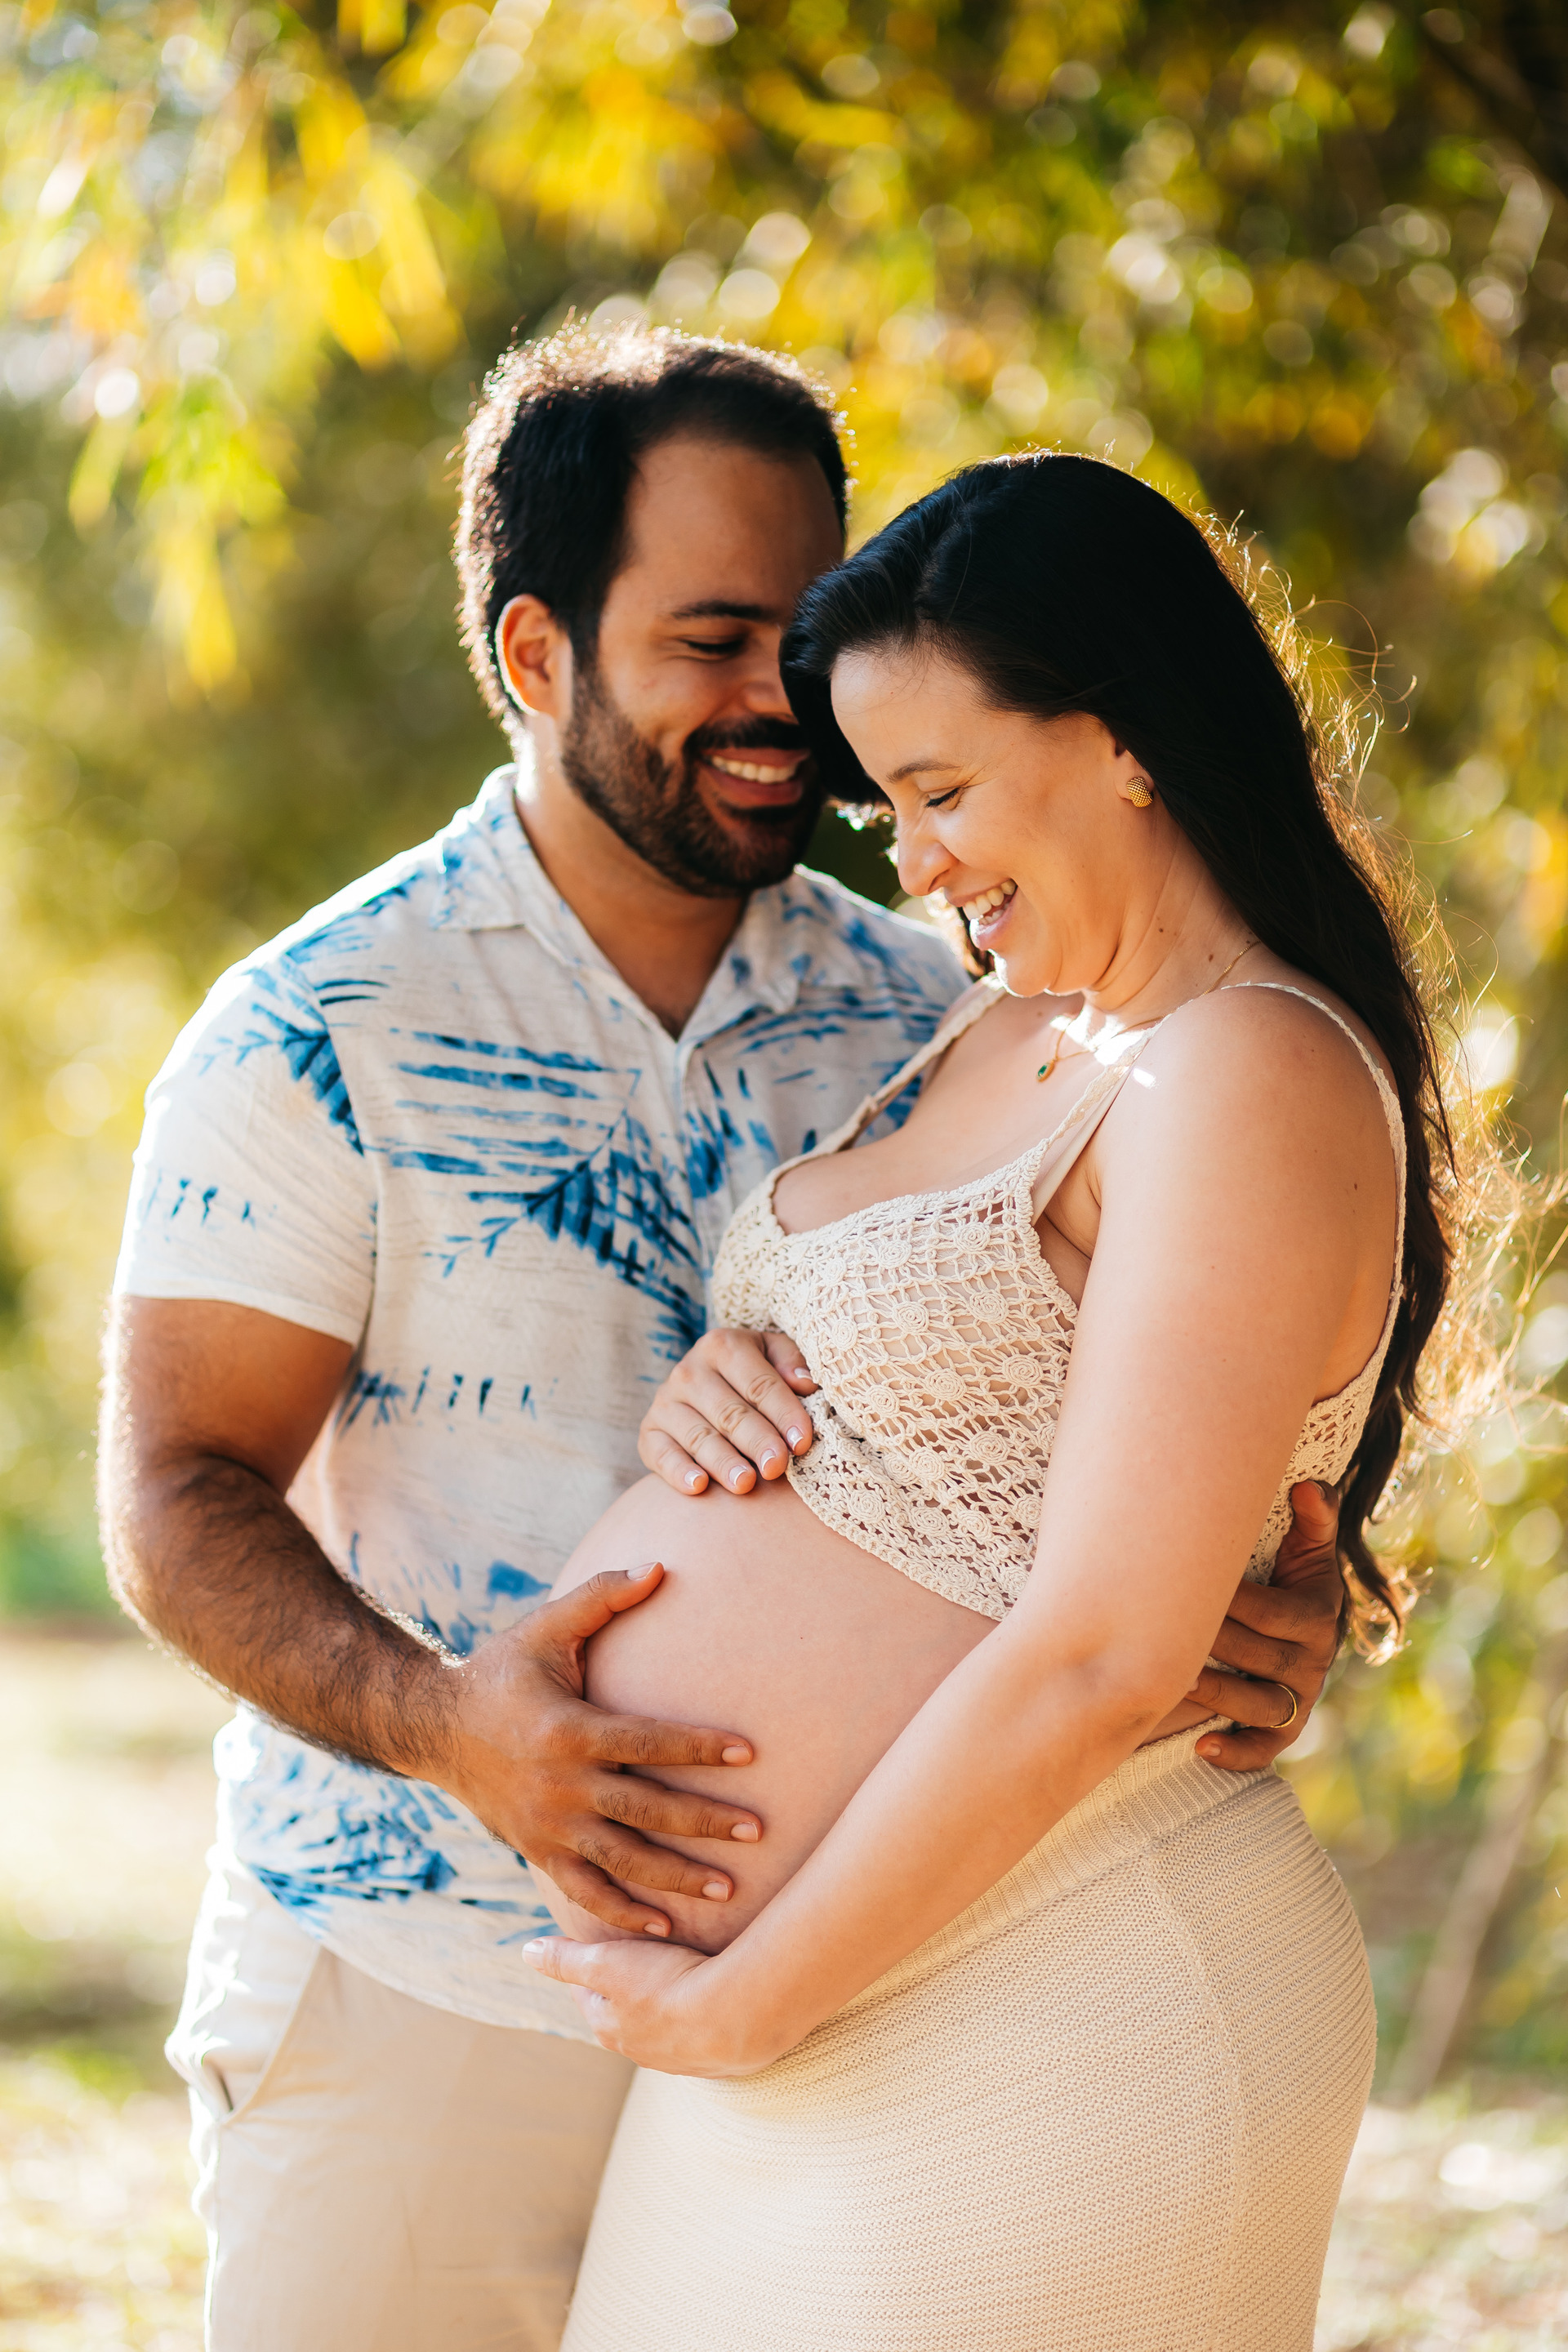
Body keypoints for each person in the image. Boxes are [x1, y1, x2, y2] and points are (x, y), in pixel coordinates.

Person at [98, 333, 1343, 2352]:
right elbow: (175, 1496)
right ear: (536, 652)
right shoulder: (325, 1022)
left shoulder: (953, 999)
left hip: (891, 1989)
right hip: (433, 1976)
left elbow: (1140, 1408)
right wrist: (456, 1731)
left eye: (803, 630)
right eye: (713, 638)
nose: (785, 702)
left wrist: (1277, 1593)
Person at [520, 452, 1467, 2352]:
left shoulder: (1243, 1072)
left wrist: (748, 2002)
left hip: (1052, 1977)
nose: (916, 863)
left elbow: (1105, 1650)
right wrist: (729, 1375)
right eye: (889, 808)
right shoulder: (1017, 1024)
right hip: (835, 1997)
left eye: (942, 793)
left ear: (1126, 741)